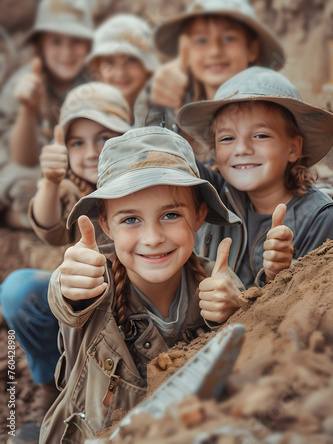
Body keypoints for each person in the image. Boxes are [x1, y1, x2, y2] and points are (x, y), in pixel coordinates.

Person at [39, 126, 243, 443]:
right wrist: (69, 286)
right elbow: (65, 298)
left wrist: (235, 311)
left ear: (200, 214)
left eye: (171, 215)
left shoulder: (218, 284)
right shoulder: (94, 279)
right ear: (105, 224)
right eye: (131, 219)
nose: (153, 238)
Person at [0, 82, 132, 444]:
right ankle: (47, 389)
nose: (90, 152)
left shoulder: (144, 184)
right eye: (77, 142)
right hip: (82, 305)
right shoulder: (73, 189)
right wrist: (50, 180)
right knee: (18, 290)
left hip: (134, 308)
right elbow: (48, 227)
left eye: (104, 137)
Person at [176, 66, 333, 290]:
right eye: (227, 138)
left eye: (260, 135)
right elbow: (164, 154)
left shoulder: (322, 219)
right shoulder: (215, 196)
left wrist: (280, 276)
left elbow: (311, 309)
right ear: (215, 151)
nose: (241, 149)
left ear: (293, 148)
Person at [134, 0, 285, 162]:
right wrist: (152, 97)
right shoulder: (169, 109)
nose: (214, 51)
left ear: (252, 49)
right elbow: (141, 156)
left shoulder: (273, 109)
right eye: (201, 40)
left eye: (229, 38)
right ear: (187, 50)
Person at [0, 0, 93, 228]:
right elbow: (23, 158)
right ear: (41, 45)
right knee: (26, 185)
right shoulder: (23, 84)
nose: (67, 52)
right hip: (20, 166)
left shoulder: (91, 82)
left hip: (74, 166)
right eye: (56, 42)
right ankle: (19, 218)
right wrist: (28, 109)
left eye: (76, 42)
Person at [87, 13, 159, 120]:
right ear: (98, 69)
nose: (120, 73)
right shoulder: (88, 116)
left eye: (131, 60)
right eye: (109, 62)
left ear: (149, 65)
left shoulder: (167, 112)